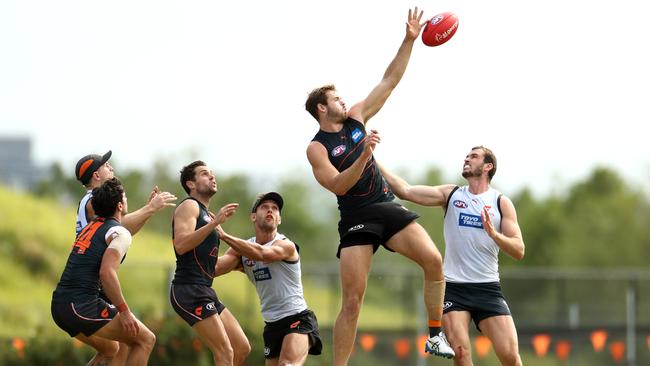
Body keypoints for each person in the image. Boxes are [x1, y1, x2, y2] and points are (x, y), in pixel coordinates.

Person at [304, 7, 454, 364]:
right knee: (353, 302)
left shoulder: (358, 117)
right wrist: (364, 154)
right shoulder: (316, 148)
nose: (343, 100)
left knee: (434, 261)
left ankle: (435, 336)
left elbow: (389, 80)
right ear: (322, 109)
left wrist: (409, 40)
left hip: (386, 206)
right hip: (356, 216)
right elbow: (339, 185)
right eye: (335, 98)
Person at [380, 146, 526, 366]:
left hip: (488, 289)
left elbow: (518, 250)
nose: (467, 159)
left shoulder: (500, 202)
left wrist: (494, 234)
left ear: (488, 167)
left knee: (510, 357)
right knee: (460, 351)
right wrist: (371, 158)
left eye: (474, 156)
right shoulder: (451, 194)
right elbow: (406, 191)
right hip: (453, 289)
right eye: (466, 156)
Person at [73, 150, 177, 365]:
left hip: (91, 285)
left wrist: (148, 211)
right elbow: (117, 227)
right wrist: (149, 208)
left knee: (115, 350)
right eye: (106, 165)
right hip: (91, 287)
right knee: (136, 341)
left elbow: (121, 230)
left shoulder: (96, 201)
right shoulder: (93, 200)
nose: (111, 168)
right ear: (96, 175)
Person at [51, 178, 156, 366]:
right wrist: (124, 311)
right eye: (124, 196)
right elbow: (107, 273)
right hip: (80, 305)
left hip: (61, 305)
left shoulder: (91, 227)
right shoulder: (120, 232)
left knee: (111, 349)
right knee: (146, 339)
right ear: (119, 205)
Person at [215, 192, 323, 366]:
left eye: (275, 208)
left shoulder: (285, 245)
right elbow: (215, 269)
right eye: (264, 207)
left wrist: (224, 236)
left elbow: (262, 253)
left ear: (279, 219)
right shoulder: (242, 250)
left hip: (298, 318)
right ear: (253, 216)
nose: (270, 211)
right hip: (272, 325)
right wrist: (200, 236)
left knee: (287, 364)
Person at [170, 160, 251, 366]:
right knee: (225, 352)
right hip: (188, 290)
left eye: (212, 173)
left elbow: (209, 268)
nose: (212, 177)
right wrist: (215, 223)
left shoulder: (208, 217)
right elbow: (180, 245)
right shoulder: (189, 206)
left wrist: (240, 259)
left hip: (204, 290)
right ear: (191, 184)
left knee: (241, 347)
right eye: (205, 174)